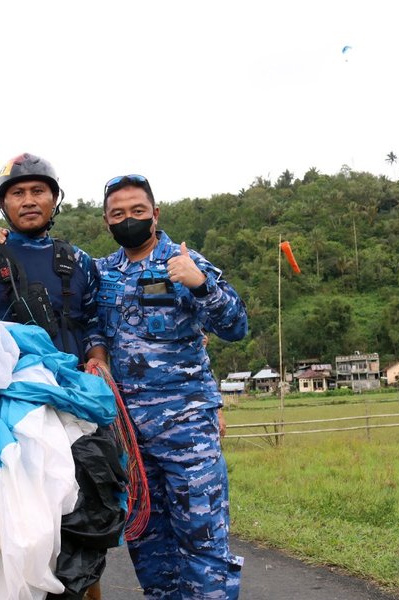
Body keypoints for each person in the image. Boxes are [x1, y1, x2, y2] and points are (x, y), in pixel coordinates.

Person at [0, 153, 125, 600]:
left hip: (74, 402)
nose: (29, 200)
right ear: (3, 204)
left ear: (54, 199)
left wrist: (99, 357)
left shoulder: (79, 261)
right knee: (16, 518)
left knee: (84, 511)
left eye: (38, 191)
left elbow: (92, 321)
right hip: (9, 406)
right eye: (18, 193)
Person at [97, 174, 247, 599]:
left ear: (155, 214)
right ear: (107, 222)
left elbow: (237, 325)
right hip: (129, 441)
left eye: (138, 211)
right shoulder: (102, 272)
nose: (129, 219)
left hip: (187, 432)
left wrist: (201, 284)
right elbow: (80, 318)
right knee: (149, 548)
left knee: (203, 543)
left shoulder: (185, 261)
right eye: (118, 214)